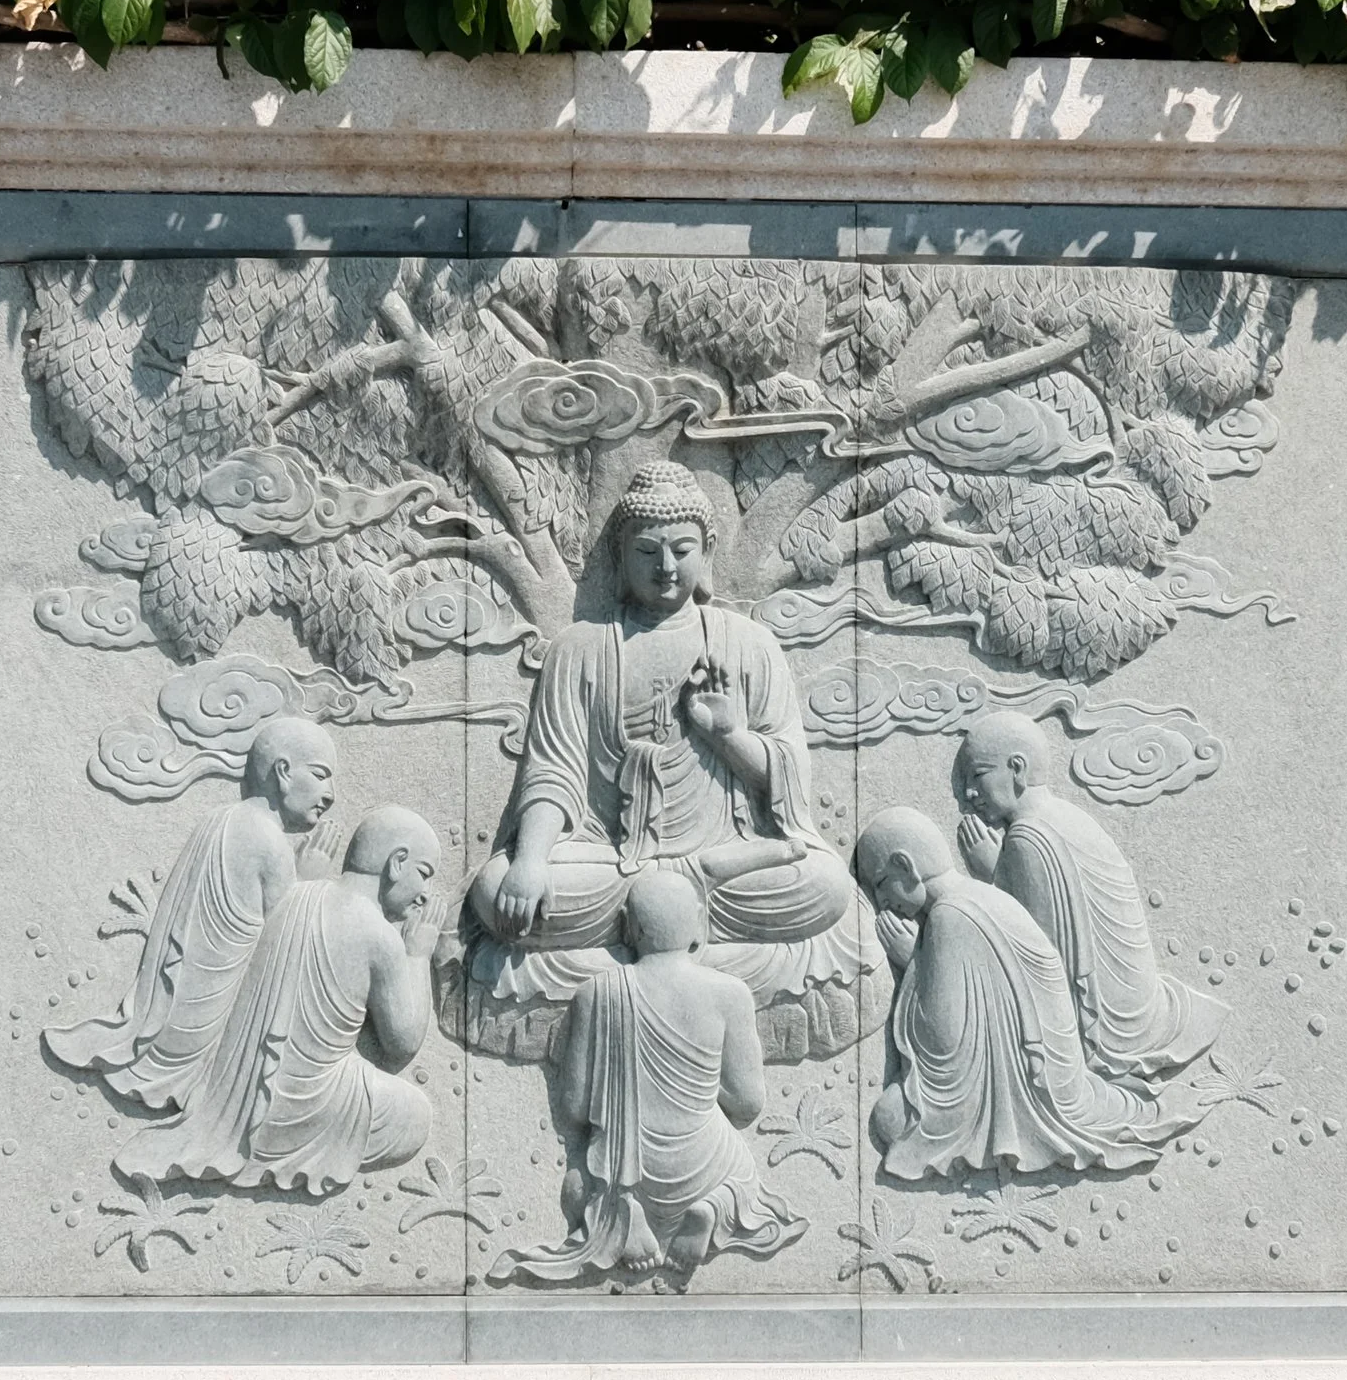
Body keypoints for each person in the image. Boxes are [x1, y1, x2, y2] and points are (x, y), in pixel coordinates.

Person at [466, 460, 854, 960]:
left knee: (824, 884)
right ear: (620, 555)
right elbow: (553, 776)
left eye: (682, 550)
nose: (666, 567)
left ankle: (661, 911)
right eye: (647, 551)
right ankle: (678, 903)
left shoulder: (749, 645)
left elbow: (787, 777)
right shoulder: (579, 648)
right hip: (610, 859)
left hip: (724, 848)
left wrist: (730, 736)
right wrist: (532, 861)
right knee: (496, 888)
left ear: (708, 551)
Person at [487, 871, 805, 1282]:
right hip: (708, 1162)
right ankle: (713, 1207)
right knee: (743, 1180)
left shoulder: (597, 993)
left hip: (625, 1167)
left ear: (629, 926)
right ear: (697, 924)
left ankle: (622, 1214)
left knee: (578, 1186)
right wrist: (705, 1088)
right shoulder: (729, 993)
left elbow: (573, 1108)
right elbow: (747, 1104)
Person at [112, 805, 444, 1193]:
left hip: (238, 1093)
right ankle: (287, 1143)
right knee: (415, 1116)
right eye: (424, 875)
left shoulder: (296, 894)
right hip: (306, 1098)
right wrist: (418, 956)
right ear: (397, 862)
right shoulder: (379, 935)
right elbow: (402, 1043)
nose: (424, 896)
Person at [854, 808, 1182, 1181]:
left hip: (1035, 1089)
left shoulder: (951, 915)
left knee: (891, 1118)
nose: (882, 903)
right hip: (1045, 1072)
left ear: (905, 866)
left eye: (880, 884)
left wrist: (910, 962)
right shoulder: (978, 896)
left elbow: (944, 1040)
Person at [45, 715, 342, 1108]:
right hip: (197, 1032)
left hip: (165, 1011)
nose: (331, 794)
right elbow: (285, 952)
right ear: (283, 772)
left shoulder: (219, 819)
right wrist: (308, 883)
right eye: (321, 775)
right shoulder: (268, 840)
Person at [953, 712, 1224, 1079]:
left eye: (977, 776)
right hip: (1140, 1000)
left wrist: (991, 874)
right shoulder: (1064, 816)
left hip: (1114, 1028)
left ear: (1017, 768)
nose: (969, 794)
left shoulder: (1028, 837)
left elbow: (1039, 955)